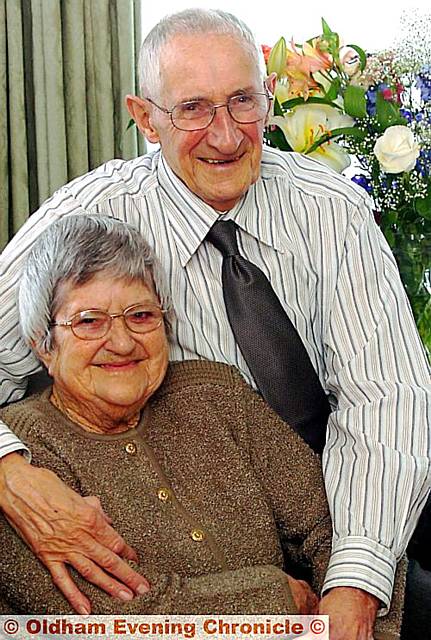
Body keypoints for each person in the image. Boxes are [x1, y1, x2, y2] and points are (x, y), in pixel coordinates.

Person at [0, 7, 429, 639]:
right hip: (211, 558)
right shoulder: (88, 218)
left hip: (356, 508)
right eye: (193, 108)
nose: (226, 136)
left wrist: (356, 581)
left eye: (242, 102)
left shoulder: (332, 211)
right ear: (145, 117)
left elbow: (386, 397)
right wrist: (9, 471)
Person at [0, 214, 330, 619]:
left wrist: (354, 610)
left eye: (140, 315)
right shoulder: (19, 463)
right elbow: (111, 615)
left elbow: (328, 522)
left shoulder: (214, 394)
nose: (122, 343)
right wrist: (282, 597)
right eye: (89, 321)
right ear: (44, 346)